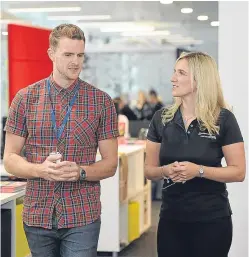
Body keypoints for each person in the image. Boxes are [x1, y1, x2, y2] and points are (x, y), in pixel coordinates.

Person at [3, 24, 119, 257]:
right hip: (38, 214)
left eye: (80, 55)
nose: (75, 62)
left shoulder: (101, 102)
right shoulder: (25, 99)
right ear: (51, 54)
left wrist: (80, 172)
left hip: (82, 214)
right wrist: (40, 170)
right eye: (68, 55)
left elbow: (110, 164)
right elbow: (10, 159)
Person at [145, 52, 246, 257]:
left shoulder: (224, 119)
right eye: (174, 72)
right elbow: (149, 171)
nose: (173, 78)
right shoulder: (160, 118)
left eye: (181, 73)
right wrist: (165, 170)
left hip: (212, 221)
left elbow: (238, 172)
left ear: (199, 80)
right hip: (171, 219)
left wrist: (198, 171)